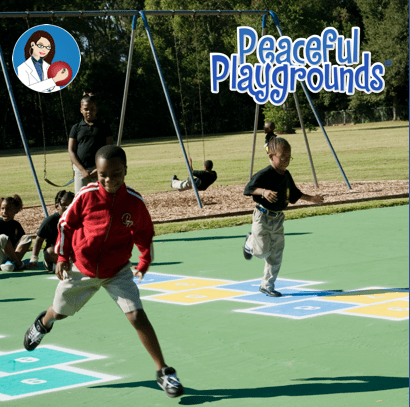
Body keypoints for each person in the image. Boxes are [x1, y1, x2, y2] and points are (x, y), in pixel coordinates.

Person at [23, 145, 184, 399]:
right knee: (60, 313)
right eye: (102, 175)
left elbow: (144, 232)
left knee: (136, 317)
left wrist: (143, 261)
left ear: (126, 171)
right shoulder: (86, 195)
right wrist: (63, 256)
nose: (109, 180)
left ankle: (163, 371)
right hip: (82, 269)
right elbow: (66, 224)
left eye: (116, 174)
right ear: (95, 173)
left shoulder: (134, 201)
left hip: (117, 270)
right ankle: (44, 323)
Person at [243, 137, 324, 297]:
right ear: (271, 156)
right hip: (262, 216)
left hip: (278, 219)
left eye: (288, 157)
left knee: (276, 254)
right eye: (282, 157)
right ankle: (250, 241)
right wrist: (264, 191)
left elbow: (295, 194)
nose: (286, 161)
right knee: (261, 253)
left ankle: (267, 286)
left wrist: (312, 199)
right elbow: (249, 188)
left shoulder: (286, 175)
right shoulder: (265, 173)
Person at [68, 93, 113, 193]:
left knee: (102, 198)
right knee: (81, 200)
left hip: (100, 171)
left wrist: (99, 169)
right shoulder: (76, 128)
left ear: (96, 109)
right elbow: (71, 151)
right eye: (86, 109)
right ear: (81, 110)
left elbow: (109, 150)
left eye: (92, 109)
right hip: (81, 172)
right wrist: (82, 170)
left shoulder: (104, 127)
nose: (89, 112)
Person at [30, 190, 75, 272]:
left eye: (70, 205)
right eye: (64, 205)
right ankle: (51, 264)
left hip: (71, 250)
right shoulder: (50, 220)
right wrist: (34, 258)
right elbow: (39, 240)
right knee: (49, 252)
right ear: (57, 205)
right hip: (55, 251)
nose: (67, 208)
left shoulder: (77, 219)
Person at [0, 195, 33, 272]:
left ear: (16, 211)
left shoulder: (16, 225)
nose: (4, 211)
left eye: (8, 209)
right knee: (3, 237)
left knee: (27, 238)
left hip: (11, 256)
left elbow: (21, 242)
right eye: (2, 209)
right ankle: (19, 264)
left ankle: (11, 263)